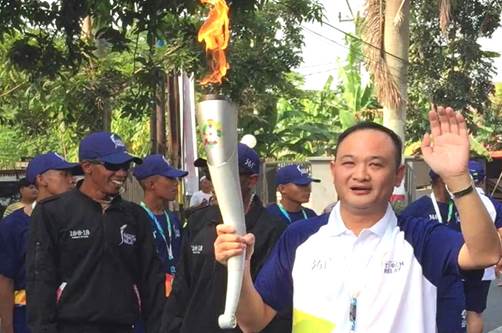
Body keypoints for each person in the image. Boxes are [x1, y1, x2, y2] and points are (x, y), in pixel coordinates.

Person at [214, 107, 502, 333]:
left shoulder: (421, 238)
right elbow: (254, 322)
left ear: (398, 174)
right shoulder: (300, 237)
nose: (361, 174)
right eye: (349, 163)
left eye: (376, 164)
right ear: (334, 169)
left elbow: (486, 253)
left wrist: (458, 178)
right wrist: (238, 268)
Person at [26, 132, 166, 333]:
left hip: (123, 326)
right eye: (112, 165)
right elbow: (40, 280)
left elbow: (152, 281)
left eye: (125, 166)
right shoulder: (52, 212)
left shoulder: (135, 217)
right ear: (87, 167)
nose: (121, 173)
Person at [161, 143, 289, 333]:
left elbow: (272, 303)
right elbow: (181, 288)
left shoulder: (274, 230)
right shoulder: (197, 222)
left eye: (225, 174)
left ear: (252, 180)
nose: (215, 181)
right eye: (211, 173)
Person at [0, 152, 80, 333]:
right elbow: (5, 280)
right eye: (64, 174)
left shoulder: (81, 221)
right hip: (27, 319)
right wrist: (7, 327)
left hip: (73, 318)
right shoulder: (13, 226)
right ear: (41, 179)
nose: (72, 180)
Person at [133, 154, 188, 295]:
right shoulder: (135, 219)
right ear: (151, 184)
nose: (176, 183)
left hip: (176, 296)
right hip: (150, 300)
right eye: (170, 178)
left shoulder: (173, 219)